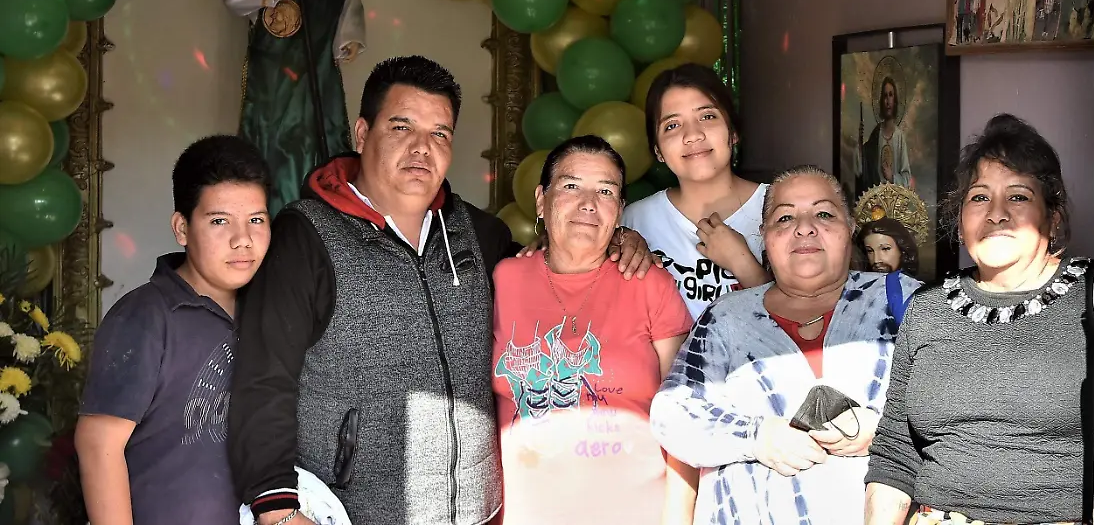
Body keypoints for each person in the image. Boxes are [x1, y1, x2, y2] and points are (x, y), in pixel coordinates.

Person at [228, 56, 656, 525]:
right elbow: (263, 379)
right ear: (362, 134)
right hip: (356, 514)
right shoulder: (305, 237)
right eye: (401, 127)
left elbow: (558, 263)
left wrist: (619, 237)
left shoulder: (479, 234)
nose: (421, 148)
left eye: (439, 133)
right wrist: (277, 509)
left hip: (480, 511)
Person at [865, 114, 1094, 525]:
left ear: (1053, 218)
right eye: (979, 198)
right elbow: (895, 453)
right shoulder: (927, 309)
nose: (996, 213)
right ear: (961, 221)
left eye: (1018, 197)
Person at [650, 165, 922, 524]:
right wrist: (755, 436)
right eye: (785, 218)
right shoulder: (726, 318)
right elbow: (671, 414)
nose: (804, 227)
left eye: (824, 214)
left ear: (850, 227)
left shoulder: (905, 300)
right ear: (764, 235)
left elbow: (963, 411)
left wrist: (885, 430)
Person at [492, 135, 695, 525]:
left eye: (605, 191)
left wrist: (678, 517)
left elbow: (685, 416)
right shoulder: (504, 279)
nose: (588, 203)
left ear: (619, 211)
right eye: (571, 186)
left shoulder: (649, 284)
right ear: (541, 200)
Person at [76, 136, 271, 524]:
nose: (243, 240)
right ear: (182, 228)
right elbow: (98, 444)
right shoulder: (145, 317)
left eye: (256, 220)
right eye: (219, 221)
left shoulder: (270, 311)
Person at [222, 0, 366, 216]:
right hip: (271, 61)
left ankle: (316, 212)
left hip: (312, 59)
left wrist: (347, 36)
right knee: (271, 133)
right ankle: (268, 210)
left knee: (309, 133)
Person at [623, 64, 770, 320]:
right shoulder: (633, 222)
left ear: (733, 132)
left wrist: (744, 264)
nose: (692, 135)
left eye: (707, 116)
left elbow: (811, 321)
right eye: (672, 125)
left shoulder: (782, 208)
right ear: (657, 150)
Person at [855, 62, 913, 195]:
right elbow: (864, 166)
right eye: (885, 96)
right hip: (876, 199)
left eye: (891, 95)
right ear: (881, 100)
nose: (888, 101)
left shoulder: (899, 137)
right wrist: (860, 142)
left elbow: (907, 177)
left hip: (894, 200)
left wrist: (892, 177)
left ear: (895, 100)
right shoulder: (876, 133)